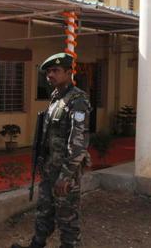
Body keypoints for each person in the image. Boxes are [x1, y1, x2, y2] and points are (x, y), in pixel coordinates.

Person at [13, 53, 91, 248]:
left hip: (65, 172)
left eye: (55, 71)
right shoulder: (57, 98)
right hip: (49, 168)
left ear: (68, 72)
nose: (50, 75)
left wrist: (65, 175)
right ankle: (37, 244)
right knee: (44, 211)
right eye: (48, 72)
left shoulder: (78, 100)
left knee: (67, 219)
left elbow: (78, 142)